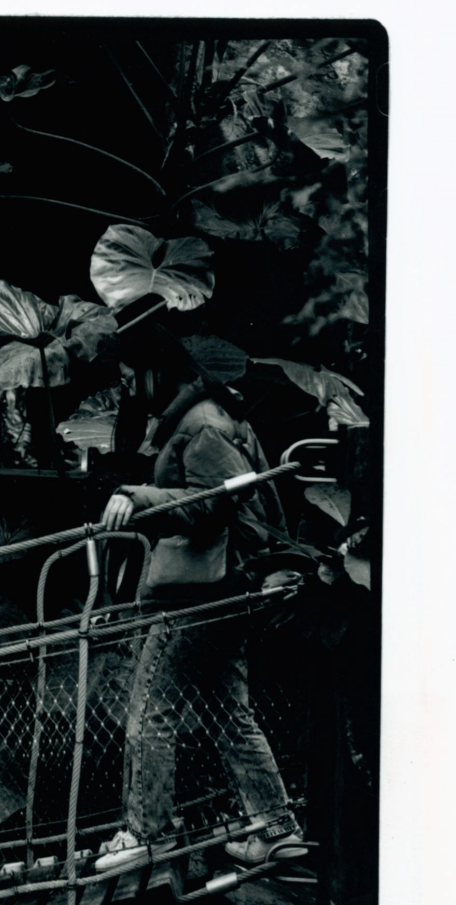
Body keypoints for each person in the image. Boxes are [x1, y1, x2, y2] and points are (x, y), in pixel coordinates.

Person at [93, 327, 303, 870]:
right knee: (229, 712)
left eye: (128, 378)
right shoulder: (199, 416)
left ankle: (146, 833)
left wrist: (137, 496)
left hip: (200, 591)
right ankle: (276, 829)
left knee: (149, 709)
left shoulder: (203, 422)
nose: (128, 390)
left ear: (153, 370)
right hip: (219, 585)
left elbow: (223, 499)